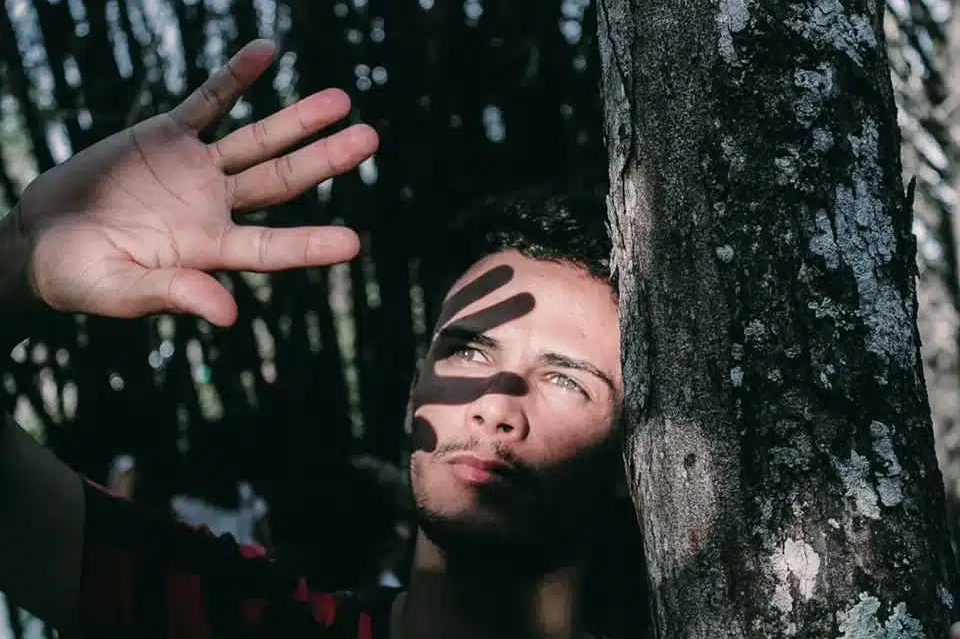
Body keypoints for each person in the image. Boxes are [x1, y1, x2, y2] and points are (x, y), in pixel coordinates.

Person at [0, 39, 629, 638]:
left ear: (632, 462)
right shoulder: (242, 623)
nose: (495, 405)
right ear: (415, 391)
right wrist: (20, 257)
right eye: (468, 350)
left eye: (565, 379)